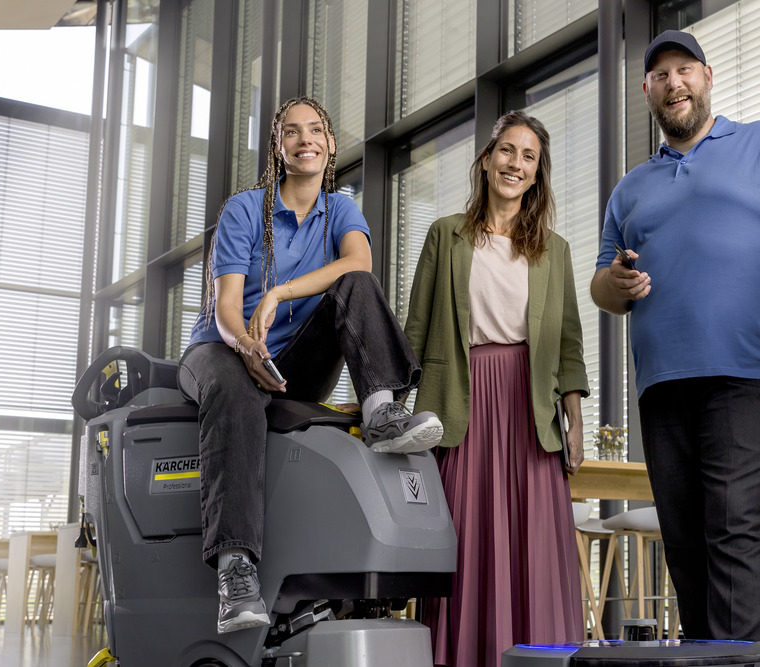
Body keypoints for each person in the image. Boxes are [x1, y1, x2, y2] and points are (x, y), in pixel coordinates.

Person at [590, 30, 760, 641]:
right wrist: (617, 281)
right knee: (686, 542)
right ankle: (704, 655)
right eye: (661, 76)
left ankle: (736, 660)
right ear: (647, 91)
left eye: (685, 70)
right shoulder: (630, 188)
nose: (674, 83)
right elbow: (604, 289)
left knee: (735, 529)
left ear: (707, 77)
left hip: (749, 374)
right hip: (662, 383)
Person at [180, 96, 444, 634]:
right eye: (293, 132)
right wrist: (246, 346)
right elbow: (226, 308)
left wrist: (280, 291)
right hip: (223, 349)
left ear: (330, 143)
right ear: (278, 146)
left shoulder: (340, 210)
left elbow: (358, 264)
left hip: (292, 363)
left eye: (316, 129)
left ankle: (381, 413)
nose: (306, 139)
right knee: (233, 385)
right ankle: (235, 571)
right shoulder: (244, 209)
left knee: (357, 281)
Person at [405, 110, 589, 666]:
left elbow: (569, 344)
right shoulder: (445, 235)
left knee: (534, 545)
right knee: (465, 539)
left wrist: (575, 421)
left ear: (537, 174)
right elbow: (415, 331)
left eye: (528, 157)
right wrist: (393, 413)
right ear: (486, 160)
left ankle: (538, 657)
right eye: (507, 151)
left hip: (530, 407)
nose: (515, 164)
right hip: (461, 402)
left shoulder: (554, 250)